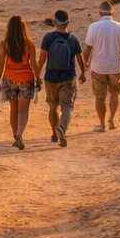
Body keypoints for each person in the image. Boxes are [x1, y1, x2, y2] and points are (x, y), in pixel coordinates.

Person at [83, 0, 120, 131]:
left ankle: (102, 124)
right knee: (115, 93)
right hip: (116, 66)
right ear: (113, 12)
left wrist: (84, 65)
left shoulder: (93, 27)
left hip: (98, 67)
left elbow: (87, 48)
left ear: (100, 13)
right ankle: (111, 120)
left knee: (100, 96)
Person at [39, 9, 86, 148]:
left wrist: (37, 74)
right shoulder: (73, 38)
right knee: (67, 107)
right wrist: (83, 72)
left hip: (50, 77)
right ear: (68, 22)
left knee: (53, 106)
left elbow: (42, 58)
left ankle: (54, 134)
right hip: (68, 77)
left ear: (55, 22)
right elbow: (80, 58)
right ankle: (62, 127)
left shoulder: (48, 37)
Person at [0, 15, 41, 150]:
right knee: (23, 109)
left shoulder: (4, 44)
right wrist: (38, 78)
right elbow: (33, 64)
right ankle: (20, 134)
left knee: (13, 109)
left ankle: (15, 135)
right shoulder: (29, 44)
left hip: (9, 79)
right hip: (26, 78)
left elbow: (0, 65)